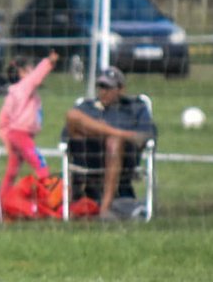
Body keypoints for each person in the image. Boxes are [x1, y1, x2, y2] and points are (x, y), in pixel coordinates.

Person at [62, 66, 156, 219]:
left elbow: (144, 136)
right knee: (72, 115)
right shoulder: (86, 106)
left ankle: (104, 209)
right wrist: (104, 131)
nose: (103, 92)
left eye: (108, 87)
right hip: (88, 156)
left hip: (123, 157)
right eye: (100, 87)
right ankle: (119, 133)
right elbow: (67, 133)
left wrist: (108, 134)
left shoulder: (136, 107)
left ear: (121, 89)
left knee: (114, 141)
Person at [0, 53, 59, 187]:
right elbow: (36, 77)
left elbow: (3, 121)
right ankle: (49, 191)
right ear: (22, 72)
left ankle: (3, 197)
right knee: (40, 163)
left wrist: (8, 141)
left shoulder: (13, 93)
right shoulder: (25, 86)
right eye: (31, 69)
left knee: (12, 171)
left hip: (14, 135)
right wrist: (49, 62)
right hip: (21, 134)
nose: (33, 72)